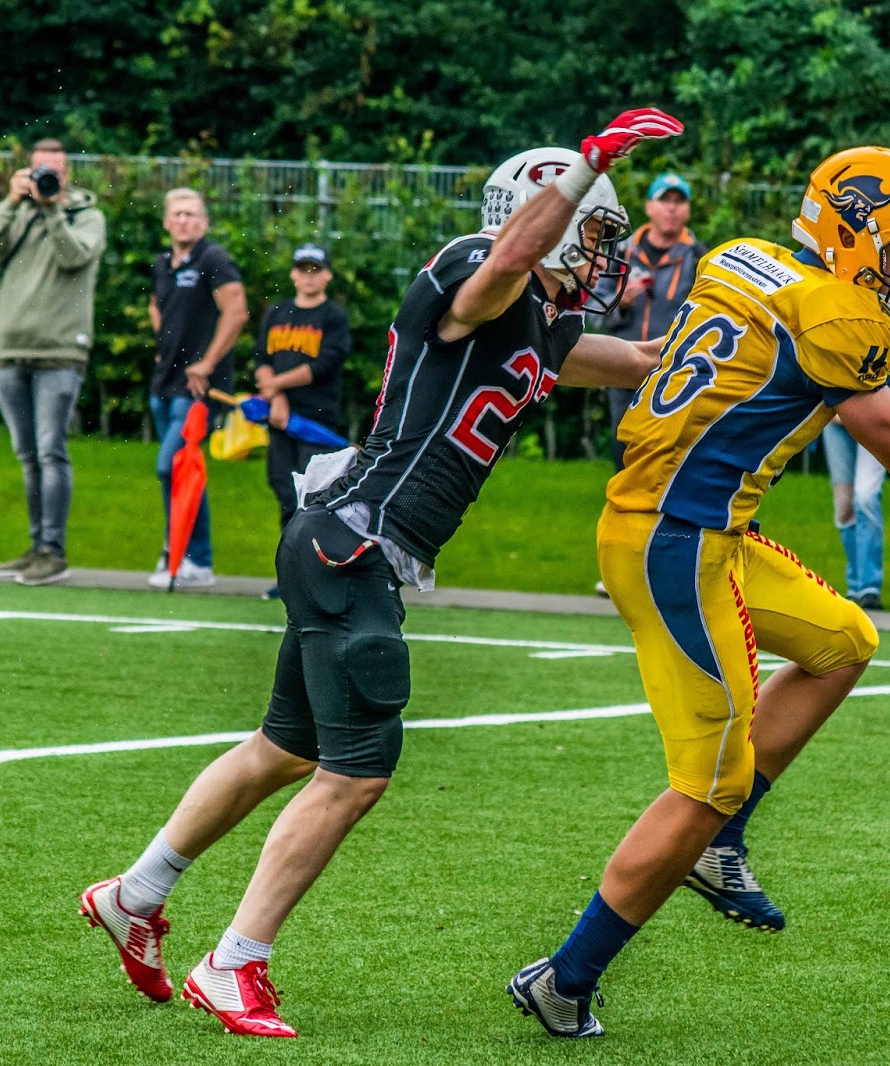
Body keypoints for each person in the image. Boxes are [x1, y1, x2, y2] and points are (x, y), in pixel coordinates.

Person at [79, 108, 680, 1039]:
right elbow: (508, 263)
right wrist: (586, 166)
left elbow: (642, 360)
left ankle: (136, 893)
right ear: (545, 215)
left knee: (283, 749)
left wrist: (755, 334)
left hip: (343, 542)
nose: (604, 254)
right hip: (355, 542)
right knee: (356, 774)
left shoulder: (544, 323)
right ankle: (233, 963)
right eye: (592, 231)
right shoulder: (476, 271)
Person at [509, 146, 890, 1038]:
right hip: (675, 544)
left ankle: (720, 843)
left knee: (844, 641)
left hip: (687, 528)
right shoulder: (840, 318)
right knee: (706, 784)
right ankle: (565, 978)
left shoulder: (738, 257)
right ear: (856, 231)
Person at [0, 138, 105, 586]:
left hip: (60, 351)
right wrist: (11, 203)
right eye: (38, 170)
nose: (47, 177)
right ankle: (36, 547)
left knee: (51, 450)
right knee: (28, 455)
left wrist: (51, 211)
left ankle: (54, 551)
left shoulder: (88, 216)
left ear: (67, 173)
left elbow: (74, 257)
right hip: (12, 350)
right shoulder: (19, 212)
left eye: (54, 170)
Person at [146, 189, 249, 590]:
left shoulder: (213, 258)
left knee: (172, 465)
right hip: (165, 382)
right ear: (166, 222)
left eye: (191, 214)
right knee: (183, 471)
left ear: (203, 223)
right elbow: (157, 306)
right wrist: (164, 347)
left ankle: (190, 556)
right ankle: (188, 555)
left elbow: (236, 311)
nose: (184, 220)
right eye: (177, 214)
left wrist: (207, 362)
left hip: (199, 387)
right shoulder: (162, 263)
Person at [255, 243, 351, 600]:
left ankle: (318, 575)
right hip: (279, 418)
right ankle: (290, 576)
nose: (309, 277)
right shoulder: (278, 312)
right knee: (283, 490)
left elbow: (325, 364)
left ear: (327, 275)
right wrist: (276, 396)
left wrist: (275, 387)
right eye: (303, 269)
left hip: (316, 421)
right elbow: (261, 358)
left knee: (312, 499)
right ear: (293, 273)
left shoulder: (333, 316)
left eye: (316, 270)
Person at [593, 172, 706, 471]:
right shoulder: (621, 252)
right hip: (623, 366)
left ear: (688, 210)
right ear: (648, 207)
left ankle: (665, 498)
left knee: (671, 447)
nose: (672, 208)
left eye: (679, 202)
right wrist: (619, 303)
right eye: (664, 200)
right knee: (624, 440)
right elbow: (593, 309)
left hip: (675, 370)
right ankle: (622, 496)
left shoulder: (699, 257)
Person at [820, 379, 890, 609]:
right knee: (844, 507)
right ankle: (855, 586)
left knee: (866, 496)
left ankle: (869, 587)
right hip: (833, 413)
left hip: (876, 415)